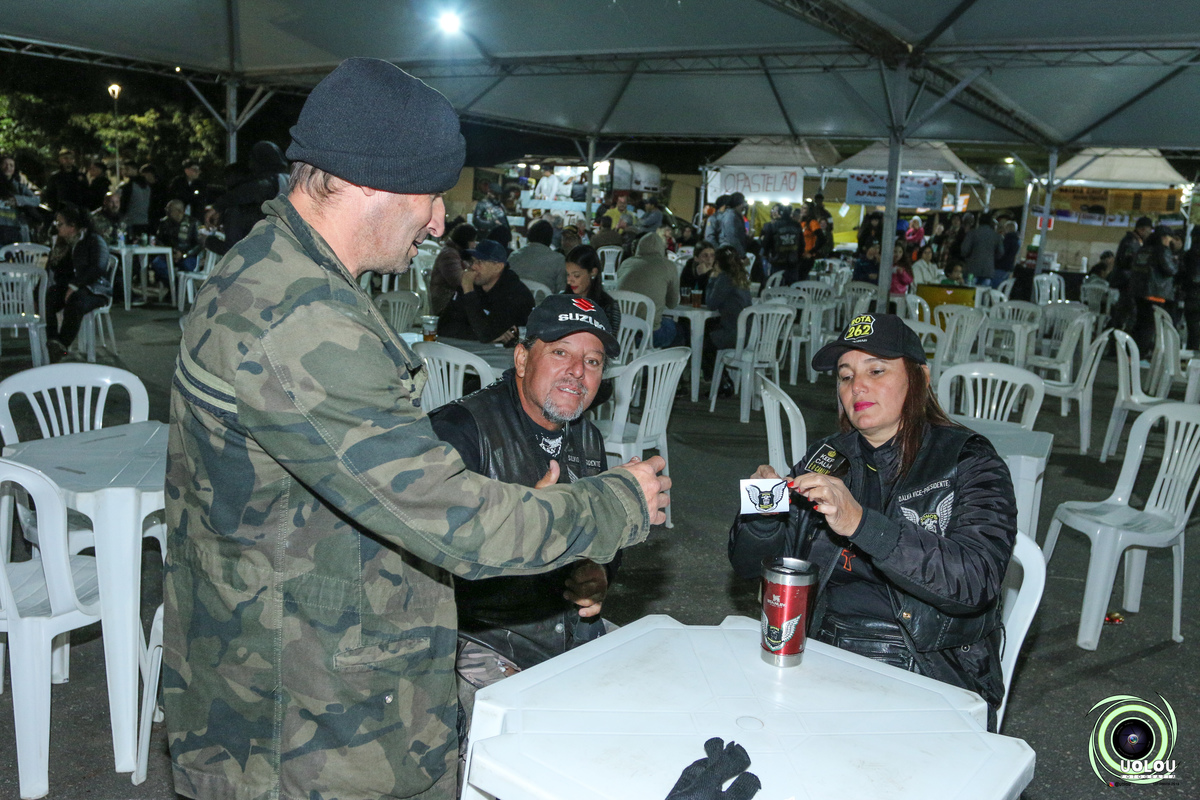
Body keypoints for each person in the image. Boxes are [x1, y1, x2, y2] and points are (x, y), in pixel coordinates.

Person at [162, 58, 670, 800]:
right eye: (430, 196)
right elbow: (450, 519)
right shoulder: (299, 319)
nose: (437, 222)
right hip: (300, 731)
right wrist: (614, 503)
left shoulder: (279, 272)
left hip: (308, 680)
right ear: (369, 182)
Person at [728, 313, 1017, 731]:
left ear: (919, 378)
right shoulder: (829, 456)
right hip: (821, 649)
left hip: (927, 666)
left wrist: (862, 524)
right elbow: (750, 567)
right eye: (846, 376)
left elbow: (975, 581)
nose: (857, 387)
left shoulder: (967, 460)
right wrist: (763, 514)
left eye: (876, 371)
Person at [428, 295, 623, 706]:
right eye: (560, 353)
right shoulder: (460, 430)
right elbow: (425, 559)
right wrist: (523, 520)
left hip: (566, 629)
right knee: (523, 723)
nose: (577, 371)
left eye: (592, 361)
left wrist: (599, 571)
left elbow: (604, 537)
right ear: (521, 359)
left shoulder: (587, 437)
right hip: (478, 636)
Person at [43, 202, 111, 360]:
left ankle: (62, 344)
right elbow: (57, 272)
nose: (57, 227)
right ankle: (53, 340)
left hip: (95, 289)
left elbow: (98, 268)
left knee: (76, 301)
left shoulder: (94, 240)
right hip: (72, 287)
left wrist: (74, 285)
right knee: (51, 296)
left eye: (60, 224)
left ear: (72, 226)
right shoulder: (64, 242)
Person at [440, 238, 536, 343]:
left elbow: (485, 334)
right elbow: (443, 327)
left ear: (498, 267)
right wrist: (486, 335)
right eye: (473, 261)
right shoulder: (473, 284)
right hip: (470, 349)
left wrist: (468, 290)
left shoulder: (515, 294)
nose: (473, 266)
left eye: (480, 262)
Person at [616, 231, 679, 348]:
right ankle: (665, 360)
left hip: (622, 334)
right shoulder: (668, 266)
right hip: (649, 334)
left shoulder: (626, 263)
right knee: (676, 329)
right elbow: (672, 304)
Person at [703, 245, 753, 381]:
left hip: (733, 334)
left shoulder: (724, 278)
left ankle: (721, 382)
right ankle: (722, 379)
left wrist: (712, 278)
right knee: (709, 332)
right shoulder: (742, 277)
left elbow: (711, 304)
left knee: (701, 342)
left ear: (718, 263)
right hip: (749, 333)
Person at [1129, 226, 1178, 359]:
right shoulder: (1162, 250)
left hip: (1138, 291)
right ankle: (1140, 355)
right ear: (1164, 237)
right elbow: (1170, 269)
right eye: (1169, 238)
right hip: (1155, 292)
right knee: (1149, 326)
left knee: (1139, 323)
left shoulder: (1143, 249)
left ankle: (1130, 354)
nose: (1170, 241)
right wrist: (1175, 261)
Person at [564, 245, 621, 334]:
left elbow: (609, 339)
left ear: (593, 272)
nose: (569, 281)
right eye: (568, 275)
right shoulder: (562, 301)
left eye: (576, 275)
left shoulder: (607, 307)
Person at [151, 199, 202, 286]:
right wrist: (169, 252)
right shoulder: (164, 223)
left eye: (170, 210)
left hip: (188, 256)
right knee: (157, 264)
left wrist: (184, 254)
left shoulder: (193, 223)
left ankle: (181, 288)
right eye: (166, 209)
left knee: (187, 266)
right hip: (168, 255)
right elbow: (158, 240)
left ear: (179, 211)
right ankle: (174, 286)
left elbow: (199, 244)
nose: (167, 212)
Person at [508, 218, 567, 293]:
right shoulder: (559, 260)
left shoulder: (514, 256)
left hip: (514, 299)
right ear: (549, 239)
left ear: (529, 235)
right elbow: (562, 291)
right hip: (543, 300)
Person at [429, 221, 475, 315]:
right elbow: (458, 280)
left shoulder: (458, 253)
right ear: (466, 240)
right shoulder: (449, 255)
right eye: (473, 241)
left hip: (454, 299)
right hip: (445, 302)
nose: (474, 245)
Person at [760, 203, 803, 284]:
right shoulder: (797, 226)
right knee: (792, 287)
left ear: (780, 213)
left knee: (776, 285)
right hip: (793, 262)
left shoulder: (774, 226)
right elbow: (802, 244)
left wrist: (768, 256)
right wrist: (798, 258)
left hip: (777, 261)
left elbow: (766, 243)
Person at [119, 163, 161, 239]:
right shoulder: (147, 185)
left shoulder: (130, 186)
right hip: (146, 221)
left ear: (135, 170)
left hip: (131, 221)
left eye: (127, 169)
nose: (124, 171)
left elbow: (124, 204)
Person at [960, 213, 1002, 286]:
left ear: (979, 221)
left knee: (970, 291)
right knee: (983, 292)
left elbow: (964, 250)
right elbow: (1000, 252)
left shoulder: (972, 233)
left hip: (972, 269)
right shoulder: (996, 236)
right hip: (988, 271)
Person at [42, 148, 85, 212]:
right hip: (61, 210)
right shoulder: (55, 177)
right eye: (65, 158)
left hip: (79, 210)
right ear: (60, 160)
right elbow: (49, 195)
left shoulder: (80, 176)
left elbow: (85, 192)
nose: (68, 161)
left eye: (71, 158)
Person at [1180, 236, 1200, 351]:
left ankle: (1192, 350)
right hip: (1196, 294)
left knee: (1192, 327)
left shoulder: (1188, 254)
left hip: (1190, 295)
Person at [718, 192, 749, 257]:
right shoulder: (730, 216)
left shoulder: (735, 215)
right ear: (739, 204)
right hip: (730, 252)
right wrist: (742, 255)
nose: (744, 206)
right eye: (743, 203)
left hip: (733, 251)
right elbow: (732, 237)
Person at [995, 220, 1020, 288]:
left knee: (996, 286)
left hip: (1001, 266)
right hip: (1009, 267)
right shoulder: (1017, 240)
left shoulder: (1007, 240)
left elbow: (1001, 253)